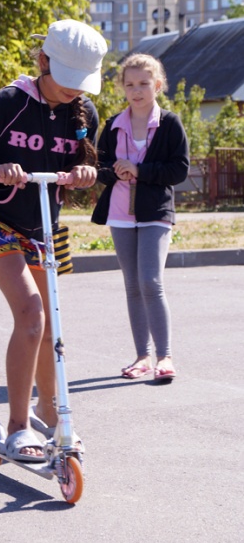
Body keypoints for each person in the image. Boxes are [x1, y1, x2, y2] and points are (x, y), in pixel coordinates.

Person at [0, 19, 107, 461]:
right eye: (67, 81)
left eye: (81, 83)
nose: (75, 91)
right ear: (42, 61)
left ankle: (48, 412)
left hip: (42, 223)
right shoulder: (7, 103)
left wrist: (86, 173)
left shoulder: (85, 112)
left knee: (51, 323)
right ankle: (19, 427)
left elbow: (83, 162)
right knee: (31, 313)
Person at [91, 53, 189, 382]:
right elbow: (98, 168)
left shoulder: (170, 123)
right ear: (122, 88)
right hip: (120, 213)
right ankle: (142, 357)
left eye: (144, 84)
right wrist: (112, 171)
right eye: (130, 84)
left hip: (156, 213)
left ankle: (165, 356)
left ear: (157, 86)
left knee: (151, 282)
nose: (137, 90)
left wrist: (140, 170)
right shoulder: (113, 125)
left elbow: (179, 169)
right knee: (132, 286)